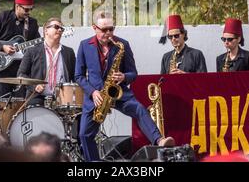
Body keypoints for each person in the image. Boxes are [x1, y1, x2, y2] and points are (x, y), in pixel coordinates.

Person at [75, 12, 175, 162]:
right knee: (84, 134)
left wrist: (124, 77)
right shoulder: (84, 45)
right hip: (97, 96)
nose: (109, 33)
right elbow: (79, 76)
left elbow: (133, 73)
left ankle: (159, 140)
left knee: (139, 109)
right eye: (104, 30)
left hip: (118, 92)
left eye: (111, 29)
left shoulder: (122, 44)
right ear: (94, 28)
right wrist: (93, 92)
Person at [0, 0, 41, 98]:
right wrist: (2, 47)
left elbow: (38, 44)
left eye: (30, 9)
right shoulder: (4, 17)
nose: (28, 12)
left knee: (20, 103)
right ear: (17, 6)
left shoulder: (32, 23)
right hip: (3, 67)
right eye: (26, 9)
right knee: (5, 102)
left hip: (22, 70)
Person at [17, 17, 76, 106]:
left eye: (61, 28)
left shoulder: (69, 52)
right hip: (37, 98)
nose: (60, 30)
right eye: (56, 27)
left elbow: (75, 76)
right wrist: (34, 86)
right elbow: (21, 74)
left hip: (62, 99)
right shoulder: (32, 51)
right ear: (46, 30)